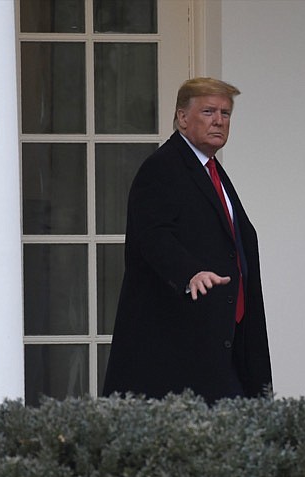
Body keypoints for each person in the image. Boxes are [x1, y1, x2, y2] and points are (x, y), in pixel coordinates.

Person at [101, 77, 272, 404]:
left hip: (222, 340)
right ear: (182, 117)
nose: (219, 120)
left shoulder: (212, 171)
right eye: (208, 111)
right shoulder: (162, 168)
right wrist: (189, 273)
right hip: (177, 346)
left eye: (225, 113)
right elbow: (153, 235)